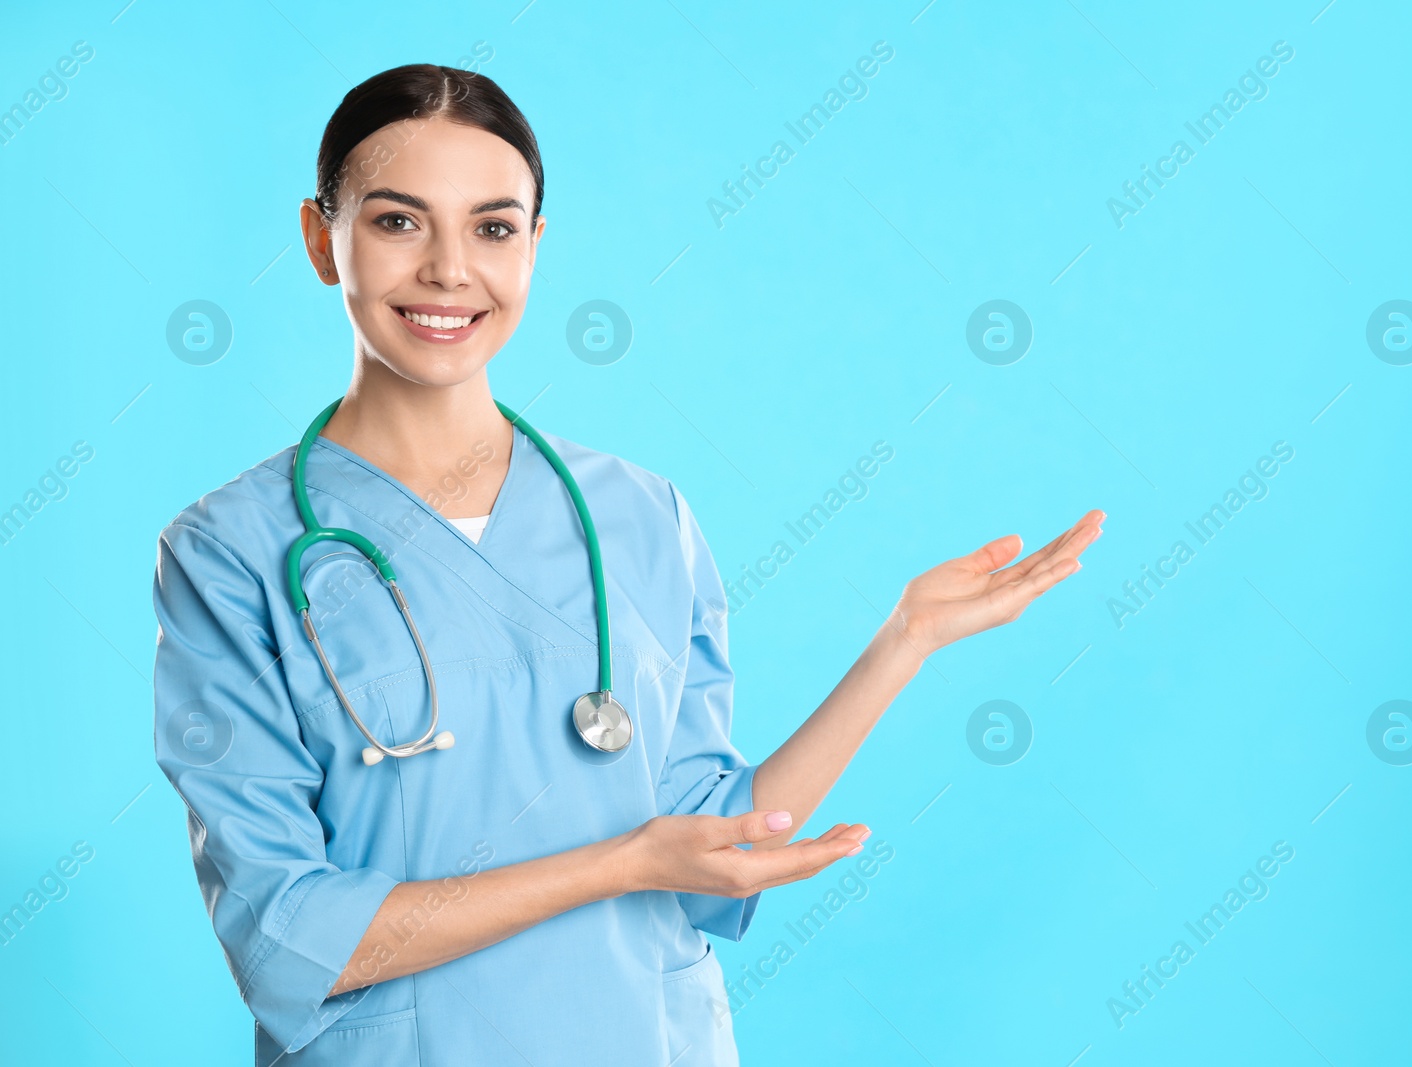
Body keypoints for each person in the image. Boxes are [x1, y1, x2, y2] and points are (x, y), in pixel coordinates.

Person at [151, 63, 1104, 1066]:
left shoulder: (640, 515)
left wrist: (903, 641)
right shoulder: (233, 552)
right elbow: (285, 934)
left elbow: (709, 848)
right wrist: (617, 862)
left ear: (535, 247)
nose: (447, 270)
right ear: (320, 239)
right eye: (397, 222)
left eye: (492, 226)